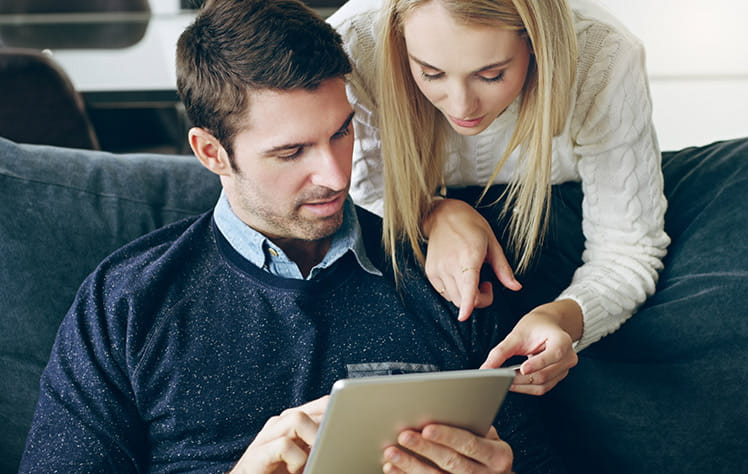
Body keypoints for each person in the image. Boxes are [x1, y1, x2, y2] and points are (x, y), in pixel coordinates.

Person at [19, 0, 562, 472]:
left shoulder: (445, 274)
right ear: (212, 152)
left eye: (342, 132)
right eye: (291, 152)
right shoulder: (127, 302)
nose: (335, 175)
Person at [327, 0, 671, 394]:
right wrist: (434, 214)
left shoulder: (602, 54)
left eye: (491, 75)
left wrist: (562, 318)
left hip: (559, 217)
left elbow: (628, 248)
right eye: (430, 73)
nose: (461, 106)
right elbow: (361, 200)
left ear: (536, 46)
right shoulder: (354, 45)